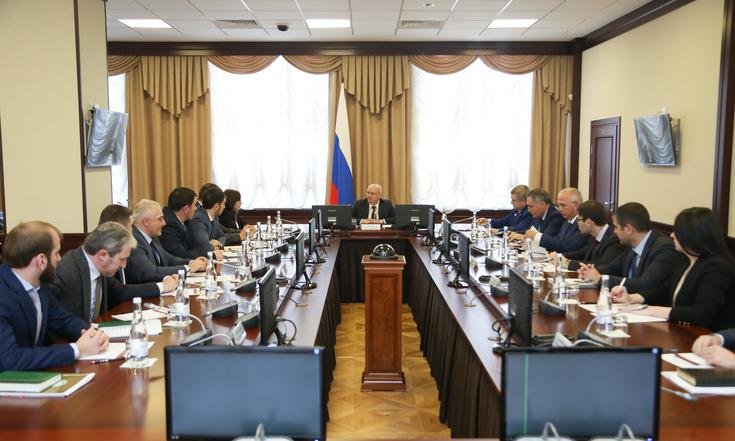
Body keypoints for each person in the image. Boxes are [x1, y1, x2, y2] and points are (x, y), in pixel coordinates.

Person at [0, 221, 108, 370]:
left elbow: (63, 319)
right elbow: (10, 359)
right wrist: (76, 349)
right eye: (56, 253)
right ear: (41, 261)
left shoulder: (39, 286)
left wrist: (92, 335)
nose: (59, 259)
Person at [611, 207, 735, 331]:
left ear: (691, 236)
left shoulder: (717, 268)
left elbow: (702, 314)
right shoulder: (685, 260)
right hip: (681, 330)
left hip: (707, 336)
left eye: (677, 231)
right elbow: (666, 290)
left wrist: (651, 310)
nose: (671, 235)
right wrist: (633, 298)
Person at [47, 222, 175, 323]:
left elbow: (121, 291)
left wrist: (162, 286)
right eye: (122, 259)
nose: (124, 266)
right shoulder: (66, 272)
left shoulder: (97, 266)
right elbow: (54, 322)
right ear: (103, 255)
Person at [579, 202, 684, 293]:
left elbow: (643, 284)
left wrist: (601, 279)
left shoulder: (663, 249)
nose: (614, 231)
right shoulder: (631, 245)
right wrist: (589, 271)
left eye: (616, 227)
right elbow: (613, 267)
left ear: (628, 229)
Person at [125, 199, 207, 284]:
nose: (164, 223)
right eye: (160, 219)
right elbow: (150, 272)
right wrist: (188, 268)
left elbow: (167, 258)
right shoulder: (134, 241)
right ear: (146, 222)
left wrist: (191, 262)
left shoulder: (152, 236)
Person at [563, 200, 626, 271]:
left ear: (588, 222)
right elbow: (581, 253)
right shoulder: (593, 236)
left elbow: (602, 266)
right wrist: (561, 256)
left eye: (578, 219)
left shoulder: (614, 239)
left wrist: (568, 263)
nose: (577, 223)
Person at [524, 187, 588, 253]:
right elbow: (556, 242)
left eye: (563, 205)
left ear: (576, 205)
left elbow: (567, 246)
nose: (560, 209)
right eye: (558, 205)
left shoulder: (584, 224)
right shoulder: (566, 221)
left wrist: (537, 236)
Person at [189, 186, 237, 258]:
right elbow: (205, 247)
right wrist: (212, 246)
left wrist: (218, 244)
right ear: (216, 206)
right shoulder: (198, 219)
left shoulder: (214, 218)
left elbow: (222, 236)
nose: (224, 207)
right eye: (223, 204)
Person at [160, 187, 203, 259]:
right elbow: (182, 256)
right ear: (186, 209)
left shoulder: (186, 221)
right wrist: (201, 252)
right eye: (194, 205)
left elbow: (198, 245)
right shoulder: (168, 227)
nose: (196, 209)